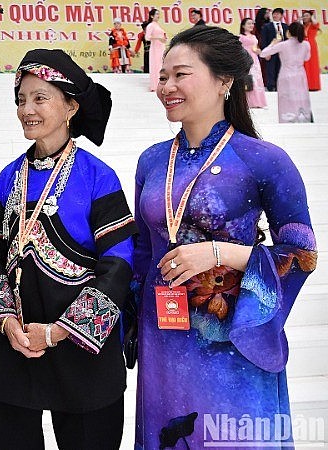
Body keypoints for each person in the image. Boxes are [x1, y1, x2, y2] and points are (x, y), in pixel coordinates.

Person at [134, 25, 317, 449]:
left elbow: (302, 253)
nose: (168, 86)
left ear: (224, 81)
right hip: (163, 332)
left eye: (181, 74)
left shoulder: (263, 159)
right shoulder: (153, 160)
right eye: (163, 76)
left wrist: (219, 253)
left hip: (233, 337)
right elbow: (143, 247)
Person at [0, 49, 137, 450]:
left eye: (39, 98)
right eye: (20, 99)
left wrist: (59, 332)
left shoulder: (98, 177)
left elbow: (119, 263)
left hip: (81, 353)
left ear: (70, 107)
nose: (26, 109)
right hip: (16, 348)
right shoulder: (7, 177)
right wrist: (8, 322)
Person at [260, 21, 313, 122]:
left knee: (286, 98)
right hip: (300, 74)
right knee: (301, 96)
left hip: (286, 74)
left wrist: (272, 43)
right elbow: (307, 58)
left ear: (289, 32)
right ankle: (303, 117)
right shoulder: (306, 44)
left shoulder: (283, 45)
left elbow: (263, 53)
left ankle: (287, 118)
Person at [239, 18, 268, 108]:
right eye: (249, 24)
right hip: (245, 60)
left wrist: (259, 51)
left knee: (257, 80)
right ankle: (248, 102)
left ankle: (258, 102)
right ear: (243, 26)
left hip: (255, 60)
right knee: (248, 80)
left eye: (252, 23)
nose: (251, 25)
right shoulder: (240, 37)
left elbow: (255, 48)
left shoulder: (254, 36)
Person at [260, 7, 288, 91]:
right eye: (274, 14)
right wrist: (266, 52)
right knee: (270, 69)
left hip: (283, 51)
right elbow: (263, 40)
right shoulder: (267, 26)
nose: (275, 15)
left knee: (281, 68)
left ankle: (279, 85)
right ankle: (271, 86)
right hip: (271, 51)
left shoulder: (285, 26)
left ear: (281, 16)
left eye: (278, 14)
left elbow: (288, 39)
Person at [146, 9, 167, 91]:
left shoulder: (157, 25)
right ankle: (155, 85)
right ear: (152, 16)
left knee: (161, 64)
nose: (158, 16)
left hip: (161, 47)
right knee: (156, 65)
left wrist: (164, 38)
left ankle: (161, 83)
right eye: (156, 14)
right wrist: (158, 38)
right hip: (155, 48)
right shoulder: (150, 25)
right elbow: (147, 37)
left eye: (159, 14)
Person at [302, 10, 321, 91]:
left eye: (307, 16)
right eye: (304, 16)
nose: (305, 17)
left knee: (312, 65)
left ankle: (313, 85)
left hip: (311, 47)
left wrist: (312, 17)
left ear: (310, 17)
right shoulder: (302, 26)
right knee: (304, 65)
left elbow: (316, 24)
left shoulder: (313, 25)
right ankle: (304, 86)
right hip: (302, 46)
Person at [253, 7, 271, 87]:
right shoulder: (256, 25)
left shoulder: (269, 24)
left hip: (268, 47)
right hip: (258, 48)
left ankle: (267, 83)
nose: (268, 15)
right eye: (266, 13)